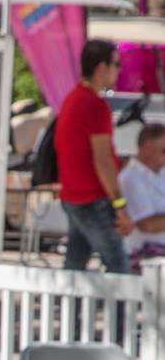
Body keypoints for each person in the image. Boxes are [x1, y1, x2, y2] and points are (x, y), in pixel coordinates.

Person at [55, 40, 132, 274]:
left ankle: (66, 309)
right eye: (117, 64)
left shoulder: (72, 98)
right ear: (101, 67)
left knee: (74, 268)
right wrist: (119, 204)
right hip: (92, 200)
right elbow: (103, 160)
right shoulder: (94, 104)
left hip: (73, 197)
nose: (119, 70)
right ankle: (121, 312)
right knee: (119, 267)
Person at [119, 122, 165, 267]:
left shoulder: (161, 172)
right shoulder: (130, 178)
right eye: (164, 150)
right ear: (146, 149)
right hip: (147, 256)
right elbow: (147, 225)